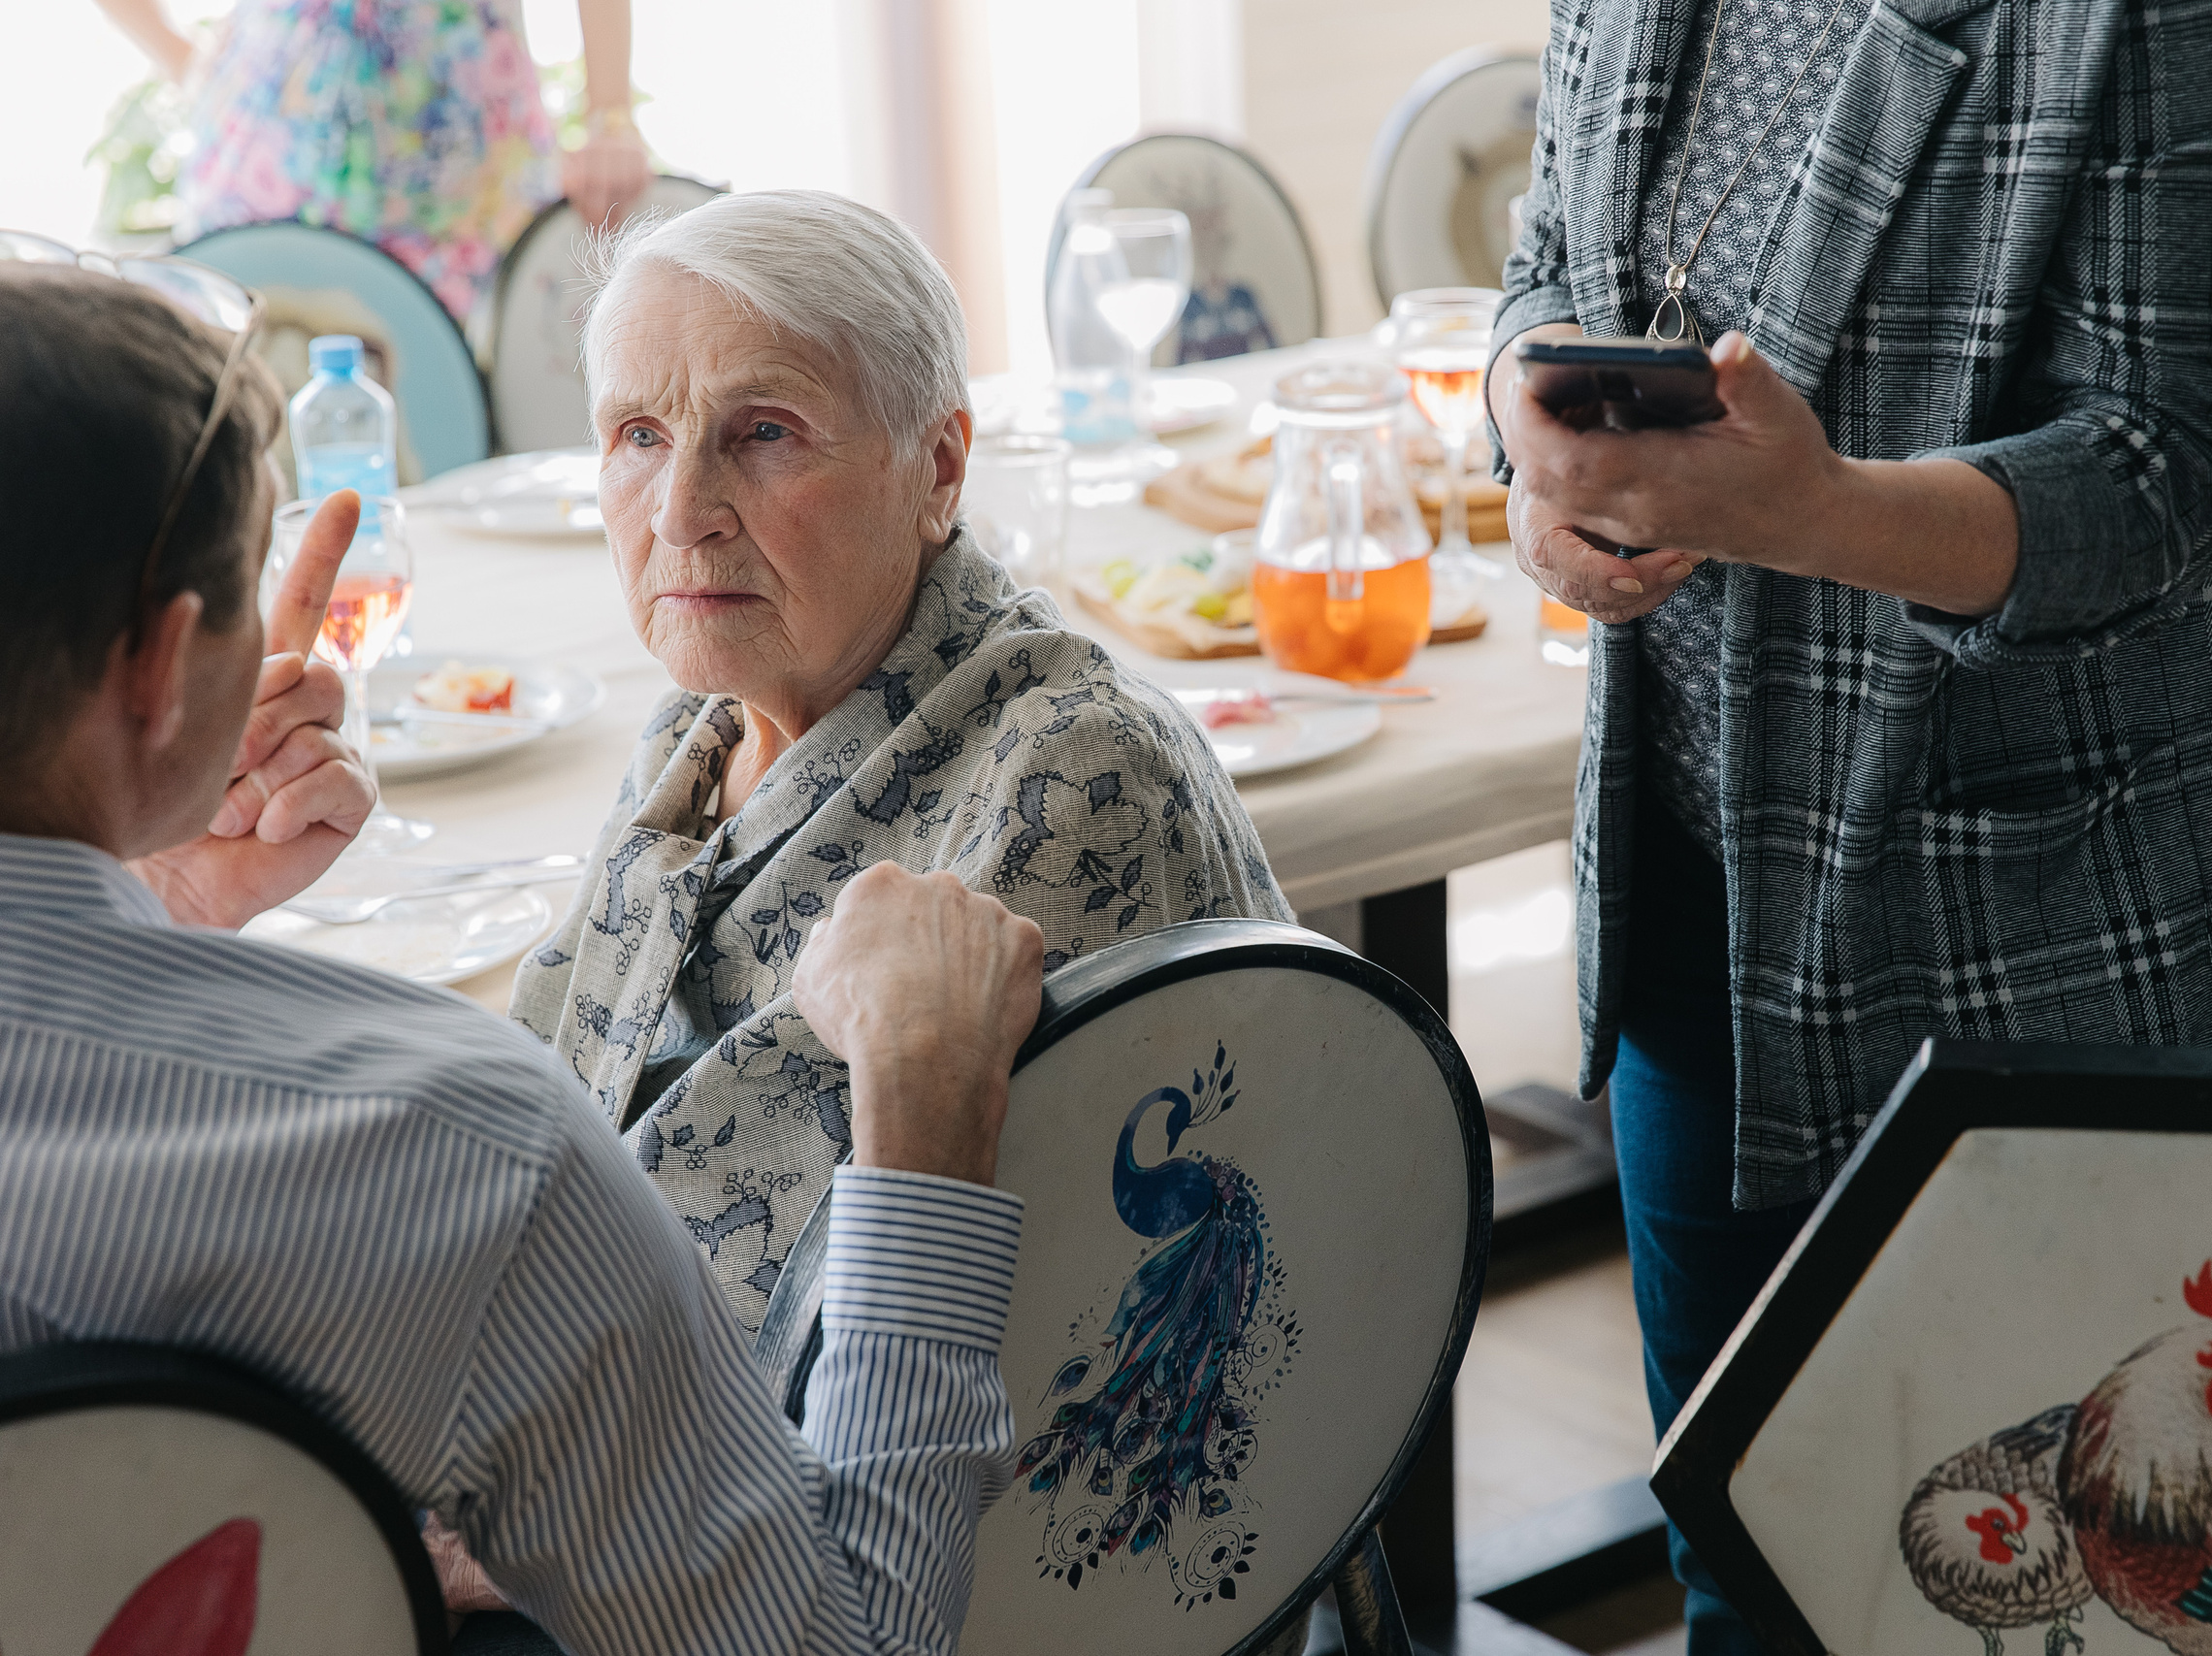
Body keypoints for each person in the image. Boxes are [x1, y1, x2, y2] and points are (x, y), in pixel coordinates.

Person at [0, 259, 1046, 1655]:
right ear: (159, 664)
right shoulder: (465, 1151)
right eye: (254, 586)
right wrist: (919, 1136)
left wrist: (155, 905)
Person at [1485, 1, 2212, 1649]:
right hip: (1698, 914)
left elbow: (2167, 470)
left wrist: (1817, 514)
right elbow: (1547, 263)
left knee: (2076, 1608)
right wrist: (1527, 430)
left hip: (2051, 945)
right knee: (1752, 1571)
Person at [508, 189, 1289, 1333]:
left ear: (937, 470)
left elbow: (879, 1330)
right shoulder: (701, 725)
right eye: (638, 436)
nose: (679, 514)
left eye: (765, 432)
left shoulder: (1071, 779)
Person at [92, 0, 654, 319]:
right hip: (266, 163)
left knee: (457, 412)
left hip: (465, 177)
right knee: (258, 420)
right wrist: (183, 60)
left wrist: (610, 113)